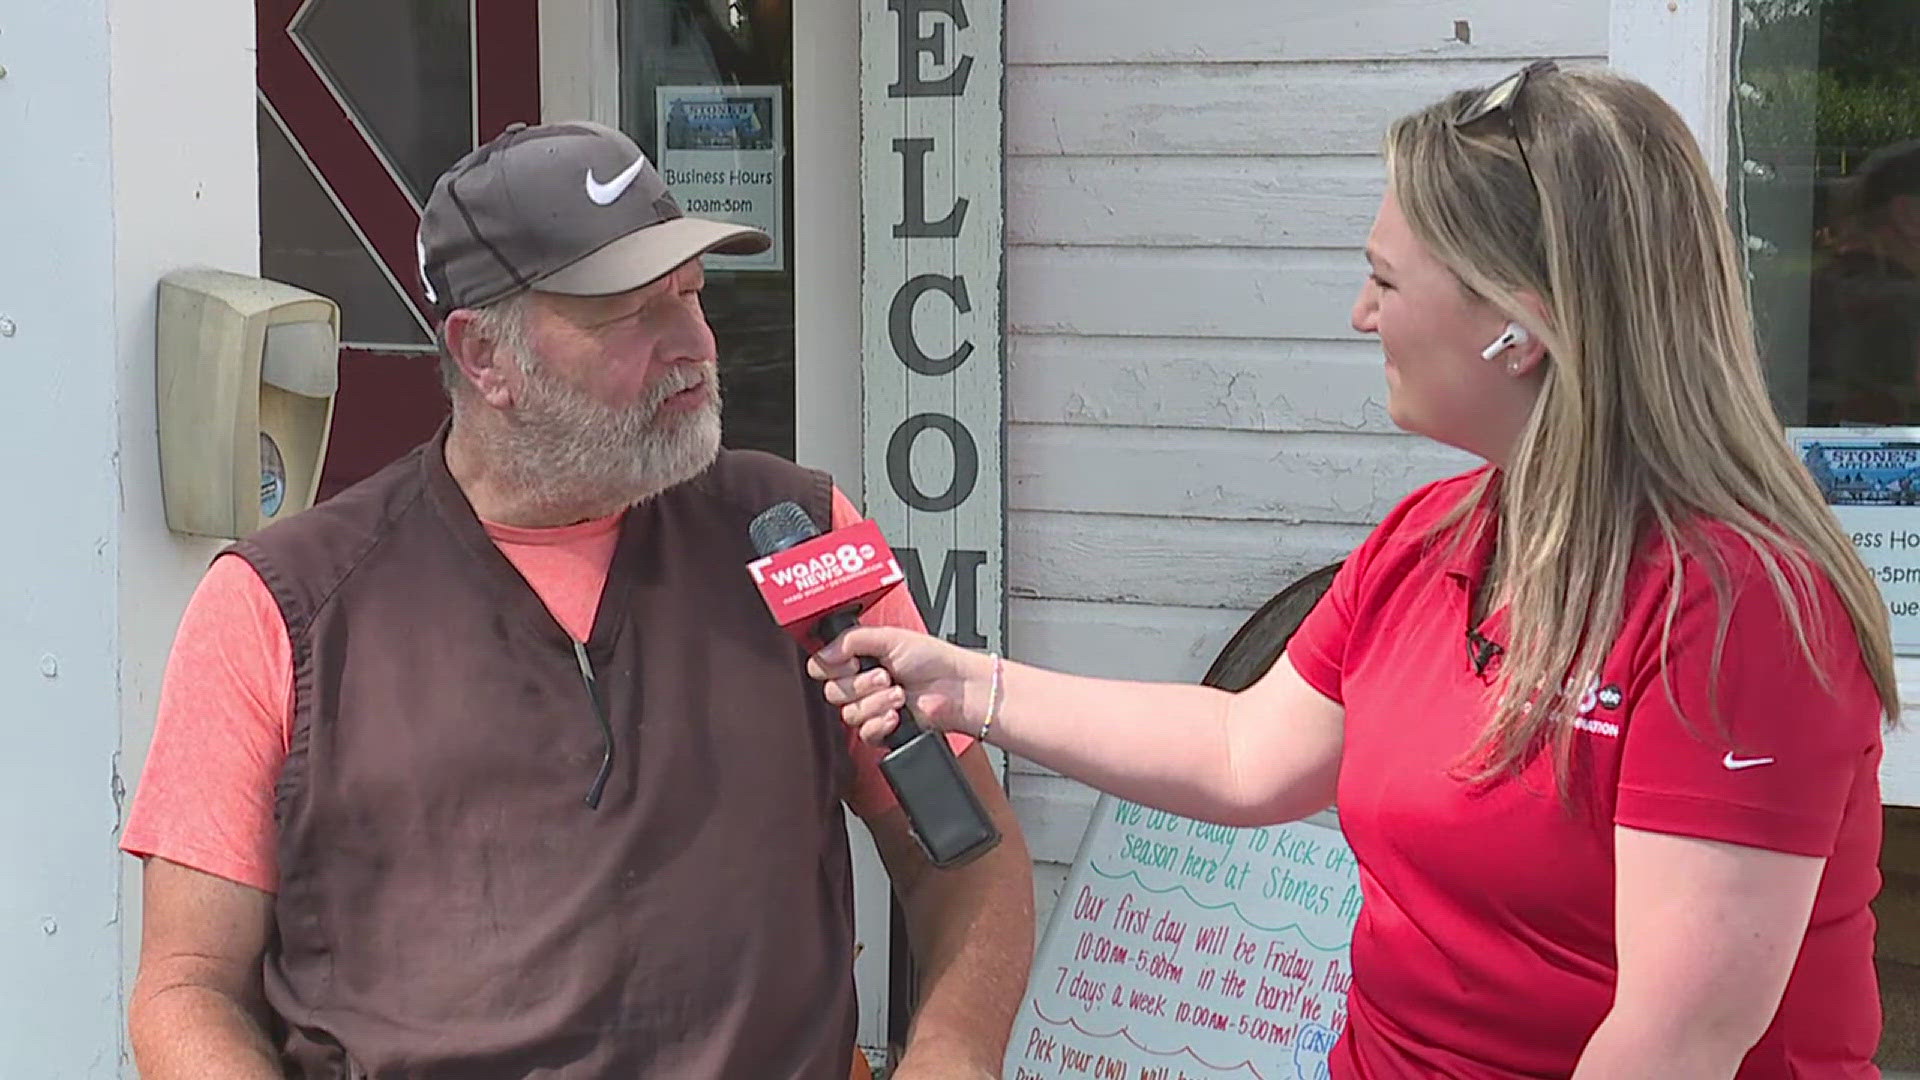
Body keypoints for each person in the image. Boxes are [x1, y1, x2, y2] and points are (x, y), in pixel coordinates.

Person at [814, 63, 1896, 1078]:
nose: (1360, 314)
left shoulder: (1741, 603)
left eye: (1386, 279)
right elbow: (1249, 751)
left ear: (1520, 330)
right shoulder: (1433, 537)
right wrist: (967, 688)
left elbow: (1679, 1036)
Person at [121, 120, 1033, 1079]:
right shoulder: (283, 606)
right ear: (483, 357)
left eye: (692, 296)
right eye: (630, 314)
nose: (693, 345)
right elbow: (186, 989)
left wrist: (952, 1059)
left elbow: (967, 853)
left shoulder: (801, 531)